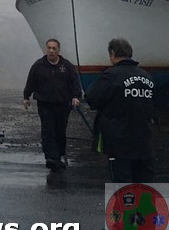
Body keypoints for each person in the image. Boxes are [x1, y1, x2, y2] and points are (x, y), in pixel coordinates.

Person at [85, 37, 155, 183]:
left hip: (119, 141)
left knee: (122, 184)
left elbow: (91, 98)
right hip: (144, 140)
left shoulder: (111, 76)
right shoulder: (146, 76)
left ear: (112, 54)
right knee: (144, 183)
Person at [23, 38, 81, 171]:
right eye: (49, 48)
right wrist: (26, 97)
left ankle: (59, 155)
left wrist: (76, 97)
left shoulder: (67, 66)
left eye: (54, 48)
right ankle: (50, 157)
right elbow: (31, 82)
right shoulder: (38, 66)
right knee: (48, 129)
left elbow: (74, 83)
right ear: (46, 49)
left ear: (58, 50)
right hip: (45, 103)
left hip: (62, 103)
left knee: (60, 130)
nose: (51, 51)